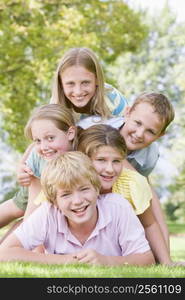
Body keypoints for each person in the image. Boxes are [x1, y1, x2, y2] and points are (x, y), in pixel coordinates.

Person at [0, 151, 155, 266]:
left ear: (96, 188)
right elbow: (4, 252)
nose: (78, 201)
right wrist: (66, 260)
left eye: (84, 189)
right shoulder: (48, 212)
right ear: (55, 201)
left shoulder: (118, 207)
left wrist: (106, 260)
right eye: (66, 194)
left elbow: (146, 259)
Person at [77, 92, 175, 251]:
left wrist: (166, 256)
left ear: (160, 135)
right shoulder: (94, 127)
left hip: (108, 194)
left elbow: (147, 195)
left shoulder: (150, 154)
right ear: (127, 113)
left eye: (150, 131)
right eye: (137, 123)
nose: (139, 134)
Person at [0, 104, 77, 234]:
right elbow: (32, 207)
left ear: (70, 134)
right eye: (38, 140)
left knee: (26, 225)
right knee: (16, 208)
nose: (44, 147)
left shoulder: (80, 158)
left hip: (53, 197)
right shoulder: (40, 157)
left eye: (50, 138)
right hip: (36, 187)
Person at [50, 47, 128, 122]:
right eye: (70, 83)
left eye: (85, 82)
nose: (78, 92)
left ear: (97, 79)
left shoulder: (114, 101)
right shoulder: (56, 104)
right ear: (61, 83)